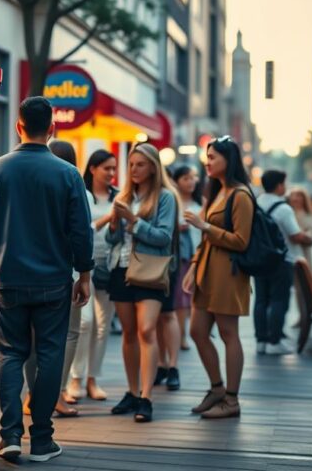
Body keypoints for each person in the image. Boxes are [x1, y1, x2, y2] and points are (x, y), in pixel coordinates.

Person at [0, 97, 92, 463]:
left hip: (8, 280)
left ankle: (9, 436)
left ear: (18, 126)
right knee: (51, 354)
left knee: (10, 354)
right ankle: (41, 440)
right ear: (52, 129)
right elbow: (81, 232)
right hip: (55, 281)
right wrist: (83, 273)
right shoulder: (68, 174)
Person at [105, 142, 179, 423]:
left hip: (150, 271)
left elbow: (163, 237)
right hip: (121, 269)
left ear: (153, 167)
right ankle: (132, 391)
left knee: (147, 330)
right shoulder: (123, 196)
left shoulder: (165, 198)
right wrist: (114, 225)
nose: (134, 169)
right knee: (128, 333)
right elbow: (113, 241)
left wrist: (133, 221)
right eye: (131, 164)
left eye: (140, 164)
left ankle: (147, 397)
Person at [182, 136, 253, 419]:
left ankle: (232, 400)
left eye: (212, 158)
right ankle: (217, 389)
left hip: (229, 273)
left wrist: (204, 226)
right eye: (207, 157)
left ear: (228, 160)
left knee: (228, 333)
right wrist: (193, 266)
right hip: (207, 271)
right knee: (197, 331)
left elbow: (242, 241)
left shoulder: (241, 195)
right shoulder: (218, 192)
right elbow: (206, 240)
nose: (207, 162)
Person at [23, 140, 83, 418]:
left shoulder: (27, 183)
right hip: (60, 273)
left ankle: (32, 396)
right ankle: (52, 396)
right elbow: (80, 232)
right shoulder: (70, 180)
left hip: (23, 273)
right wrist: (86, 272)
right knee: (59, 339)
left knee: (29, 342)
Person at [68, 149, 119, 403]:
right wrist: (109, 218)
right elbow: (83, 229)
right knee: (84, 322)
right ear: (93, 169)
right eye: (106, 168)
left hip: (109, 265)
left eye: (113, 168)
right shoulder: (82, 194)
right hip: (83, 264)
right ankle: (76, 377)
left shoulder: (119, 196)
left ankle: (92, 379)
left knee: (102, 325)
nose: (111, 173)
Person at [254, 170, 312, 355]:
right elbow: (295, 236)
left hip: (259, 259)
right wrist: (308, 237)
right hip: (282, 259)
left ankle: (261, 341)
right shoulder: (284, 208)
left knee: (261, 300)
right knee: (279, 300)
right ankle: (275, 341)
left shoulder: (255, 203)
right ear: (279, 185)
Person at [171, 165, 202, 351]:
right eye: (186, 178)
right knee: (182, 297)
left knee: (192, 298)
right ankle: (182, 335)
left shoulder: (202, 202)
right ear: (177, 181)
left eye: (192, 178)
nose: (191, 182)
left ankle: (188, 333)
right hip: (180, 255)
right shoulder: (173, 201)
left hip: (198, 254)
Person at [288, 187, 312, 272]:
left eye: (299, 196)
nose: (295, 198)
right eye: (293, 196)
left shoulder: (309, 214)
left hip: (304, 250)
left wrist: (303, 235)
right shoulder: (288, 213)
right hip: (291, 251)